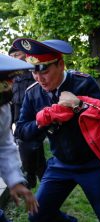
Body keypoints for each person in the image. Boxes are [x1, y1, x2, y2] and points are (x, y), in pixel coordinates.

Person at [13, 38, 100, 222]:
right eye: (33, 72)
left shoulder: (83, 83)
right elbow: (21, 131)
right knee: (37, 215)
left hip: (92, 163)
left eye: (44, 70)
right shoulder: (33, 93)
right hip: (60, 164)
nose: (39, 78)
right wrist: (42, 121)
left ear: (60, 64)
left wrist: (79, 106)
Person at [0, 53, 39, 221]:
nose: (9, 87)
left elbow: (3, 144)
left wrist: (14, 180)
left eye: (9, 83)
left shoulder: (2, 106)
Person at [8, 46, 46, 189]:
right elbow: (10, 100)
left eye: (17, 54)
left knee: (34, 147)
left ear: (25, 55)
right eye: (12, 55)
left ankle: (34, 177)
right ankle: (34, 176)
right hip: (19, 117)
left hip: (36, 116)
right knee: (27, 147)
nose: (15, 58)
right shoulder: (11, 75)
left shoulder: (35, 71)